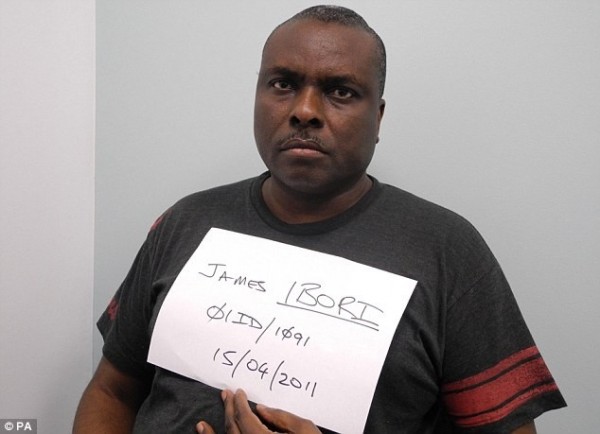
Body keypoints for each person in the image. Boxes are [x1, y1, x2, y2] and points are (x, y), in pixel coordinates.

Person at [73, 5, 566, 434]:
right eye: (283, 84)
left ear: (378, 117)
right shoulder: (186, 222)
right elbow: (112, 391)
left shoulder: (448, 251)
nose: (304, 110)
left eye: (340, 92)